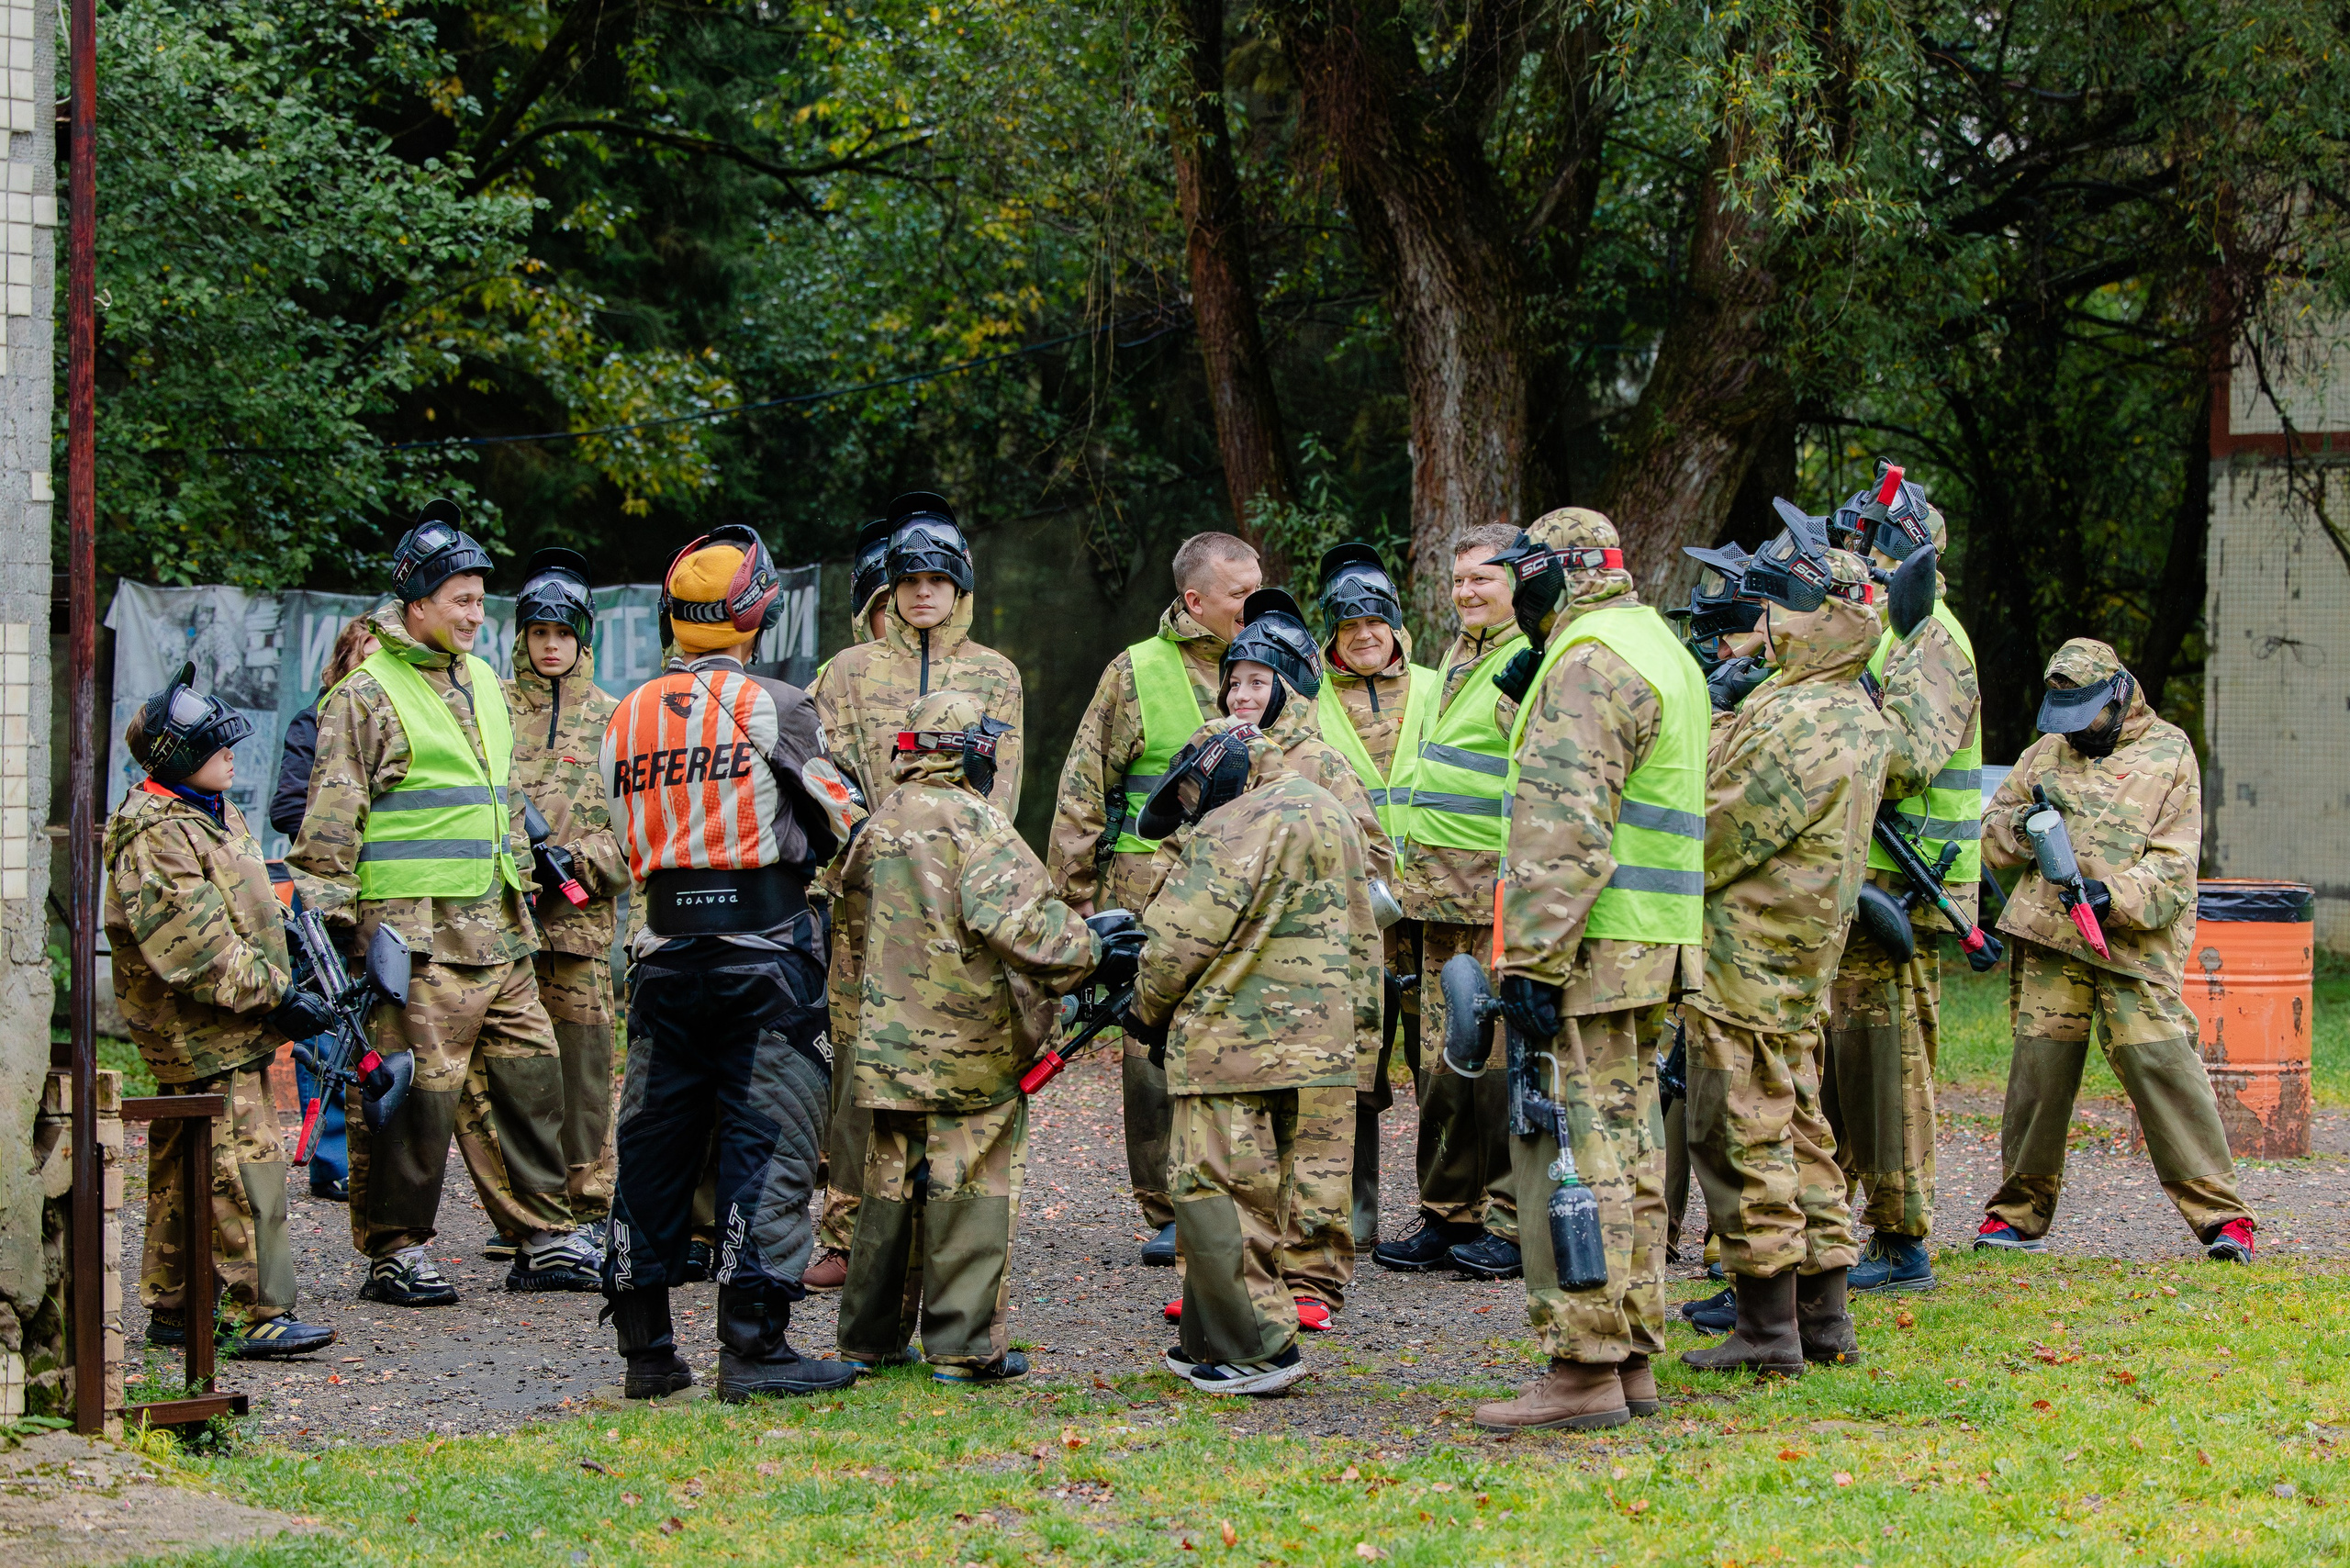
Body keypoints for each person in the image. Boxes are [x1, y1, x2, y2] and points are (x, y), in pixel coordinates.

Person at [288, 499, 597, 1305]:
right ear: (417, 603)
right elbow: (329, 828)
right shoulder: (365, 694)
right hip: (414, 938)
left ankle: (544, 1235)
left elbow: (499, 799)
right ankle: (396, 1250)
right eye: (461, 599)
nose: (476, 614)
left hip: (500, 926)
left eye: (481, 600)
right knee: (416, 1098)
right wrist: (333, 941)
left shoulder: (484, 680)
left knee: (531, 1081)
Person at [599, 525, 862, 1403]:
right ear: (754, 614)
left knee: (653, 1145)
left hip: (662, 958)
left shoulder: (624, 715)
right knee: (769, 1142)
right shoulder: (777, 704)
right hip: (766, 955)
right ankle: (754, 1348)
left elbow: (623, 833)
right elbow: (842, 814)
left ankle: (646, 1351)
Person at [1464, 510, 1707, 1431]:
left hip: (1589, 942)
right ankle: (1629, 1357)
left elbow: (1563, 824)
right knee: (1631, 1149)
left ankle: (1582, 1367)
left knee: (1569, 1148)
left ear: (1554, 573)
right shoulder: (1657, 646)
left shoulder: (1588, 659)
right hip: (1651, 939)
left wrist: (1532, 957)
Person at [833, 691, 1113, 1383]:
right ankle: (962, 1348)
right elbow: (1025, 929)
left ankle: (870, 1339)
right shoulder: (979, 824)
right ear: (972, 752)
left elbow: (851, 925)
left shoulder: (880, 823)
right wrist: (1093, 946)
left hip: (887, 1044)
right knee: (969, 1187)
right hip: (970, 1045)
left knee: (890, 1187)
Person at [1681, 517, 1892, 1378]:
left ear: (1819, 618)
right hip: (1794, 954)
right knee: (1801, 1125)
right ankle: (1822, 1317)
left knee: (1743, 1131)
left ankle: (1768, 1327)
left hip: (1749, 956)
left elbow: (1719, 833)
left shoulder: (1805, 718)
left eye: (1778, 609)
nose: (1763, 625)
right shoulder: (1837, 705)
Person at [1974, 639, 2256, 1263]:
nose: (2077, 731)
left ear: (2119, 695)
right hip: (2051, 939)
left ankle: (2225, 1219)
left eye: (2088, 717)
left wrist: (2113, 896)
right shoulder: (2046, 752)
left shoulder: (2169, 751)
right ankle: (2016, 1214)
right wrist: (2025, 827)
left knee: (2166, 1071)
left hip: (2132, 944)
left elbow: (2176, 868)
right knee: (2039, 1079)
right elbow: (1990, 835)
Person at [806, 494, 1024, 1291]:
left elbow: (1001, 790)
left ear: (960, 586)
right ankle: (847, 1230)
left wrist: (973, 882)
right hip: (865, 904)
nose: (923, 593)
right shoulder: (849, 671)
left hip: (960, 907)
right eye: (909, 581)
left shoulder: (995, 675)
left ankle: (945, 1233)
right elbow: (820, 774)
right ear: (889, 589)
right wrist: (865, 850)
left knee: (960, 1059)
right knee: (858, 1066)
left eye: (937, 580)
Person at [1129, 717, 1379, 1394]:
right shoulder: (1328, 810)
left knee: (1219, 1196)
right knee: (1285, 1196)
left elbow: (1178, 941)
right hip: (1322, 1040)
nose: (1189, 809)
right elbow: (1366, 931)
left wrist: (1144, 1010)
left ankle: (1256, 1351)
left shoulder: (1232, 822)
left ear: (1215, 768)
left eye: (1189, 793)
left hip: (1232, 1043)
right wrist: (1361, 1040)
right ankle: (1211, 1339)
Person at [1164, 589, 1384, 1333]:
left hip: (1319, 981)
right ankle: (1222, 1277)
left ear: (1290, 687)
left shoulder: (1323, 763)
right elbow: (1180, 855)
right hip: (1232, 978)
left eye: (1258, 681)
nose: (1241, 695)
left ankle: (1311, 1276)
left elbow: (1375, 864)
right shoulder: (1211, 756)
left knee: (1317, 1141)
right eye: (1233, 681)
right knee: (1232, 1147)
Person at [1046, 532, 1262, 1266]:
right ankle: (1168, 1209)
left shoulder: (1273, 663)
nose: (1255, 604)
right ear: (1194, 601)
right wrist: (1075, 906)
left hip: (1250, 892)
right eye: (1239, 594)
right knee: (1150, 1051)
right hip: (1153, 894)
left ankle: (1244, 1198)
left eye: (1258, 588)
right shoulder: (1136, 670)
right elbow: (1084, 788)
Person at [109, 665, 337, 1358]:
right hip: (201, 1029)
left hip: (227, 1022)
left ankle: (177, 1305)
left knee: (190, 1163)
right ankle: (249, 1312)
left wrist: (291, 961)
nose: (231, 755)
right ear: (177, 757)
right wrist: (279, 997)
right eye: (215, 746)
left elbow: (245, 905)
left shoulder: (207, 811)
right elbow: (195, 950)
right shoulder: (156, 832)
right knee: (242, 1168)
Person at [1823, 481, 1981, 1295]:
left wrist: (1827, 726)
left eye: (1863, 544)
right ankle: (1836, 1222)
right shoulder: (1893, 634)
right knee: (1852, 1063)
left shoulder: (1931, 638)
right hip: (1874, 881)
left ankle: (1901, 1240)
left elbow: (1912, 756)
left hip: (1908, 889)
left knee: (1889, 1068)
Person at [1373, 523, 1529, 1282]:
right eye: (1459, 579)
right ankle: (1447, 1212)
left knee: (1498, 1064)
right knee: (1444, 1065)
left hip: (1495, 897)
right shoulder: (1457, 658)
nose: (1467, 591)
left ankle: (1510, 1220)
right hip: (1435, 894)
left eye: (1483, 578)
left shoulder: (1529, 661)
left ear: (1517, 582)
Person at [501, 548, 631, 1260]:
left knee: (583, 1075)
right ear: (521, 636)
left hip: (578, 928)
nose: (551, 646)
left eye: (563, 633)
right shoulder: (490, 710)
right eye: (538, 633)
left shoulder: (615, 719)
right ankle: (525, 1212)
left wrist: (576, 865)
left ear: (584, 639)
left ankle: (585, 1203)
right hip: (504, 928)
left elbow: (637, 830)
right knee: (515, 1076)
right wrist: (520, 865)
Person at [1311, 545, 1438, 1248]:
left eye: (1374, 622)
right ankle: (1350, 1214)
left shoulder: (1439, 688)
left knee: (1440, 1062)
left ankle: (1445, 1210)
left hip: (1433, 905)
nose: (1364, 635)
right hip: (1353, 911)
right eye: (1349, 624)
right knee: (1351, 1066)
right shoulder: (1309, 699)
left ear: (1395, 624)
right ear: (1331, 632)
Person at [270, 615, 380, 1203]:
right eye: (366, 653)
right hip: (328, 901)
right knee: (324, 1029)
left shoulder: (411, 720)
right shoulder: (313, 721)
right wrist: (348, 836)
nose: (375, 667)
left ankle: (382, 1159)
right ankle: (330, 1160)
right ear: (344, 660)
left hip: (394, 900)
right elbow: (288, 809)